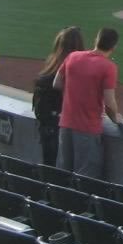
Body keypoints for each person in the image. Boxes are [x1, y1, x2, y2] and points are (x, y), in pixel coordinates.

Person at [55, 27, 123, 178]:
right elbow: (109, 101)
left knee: (62, 175)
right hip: (88, 128)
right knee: (85, 178)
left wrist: (74, 93)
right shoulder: (108, 67)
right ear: (114, 47)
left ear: (96, 40)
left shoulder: (73, 56)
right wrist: (116, 118)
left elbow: (57, 83)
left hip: (66, 124)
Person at [31, 26, 83, 167]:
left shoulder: (52, 62)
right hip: (60, 125)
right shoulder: (71, 65)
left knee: (49, 166)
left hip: (46, 123)